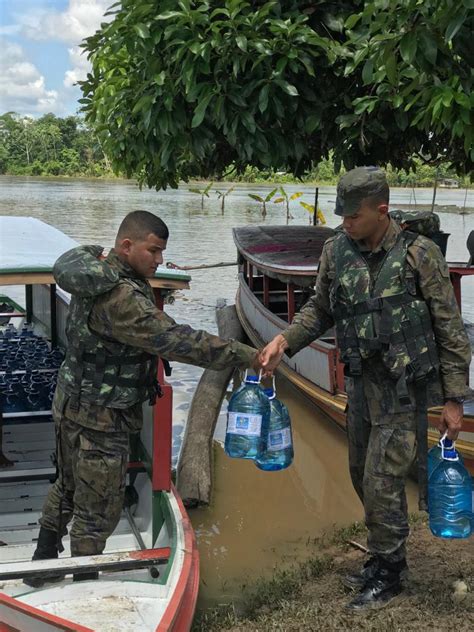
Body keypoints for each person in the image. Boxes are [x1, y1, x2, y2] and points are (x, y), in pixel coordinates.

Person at [260, 167, 471, 611]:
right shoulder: (336, 251)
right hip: (360, 384)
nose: (346, 224)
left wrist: (454, 398)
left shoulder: (420, 254)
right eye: (342, 215)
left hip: (404, 387)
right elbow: (320, 307)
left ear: (382, 210)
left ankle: (390, 571)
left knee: (381, 479)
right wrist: (285, 341)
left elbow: (450, 329)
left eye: (354, 216)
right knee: (360, 473)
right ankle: (382, 557)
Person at [26, 210, 261, 587]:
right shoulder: (122, 298)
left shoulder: (97, 277)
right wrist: (248, 354)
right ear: (126, 245)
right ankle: (85, 583)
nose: (159, 260)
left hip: (70, 403)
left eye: (162, 253)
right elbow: (178, 340)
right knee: (98, 507)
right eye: (153, 251)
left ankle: (42, 562)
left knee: (67, 484)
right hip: (102, 419)